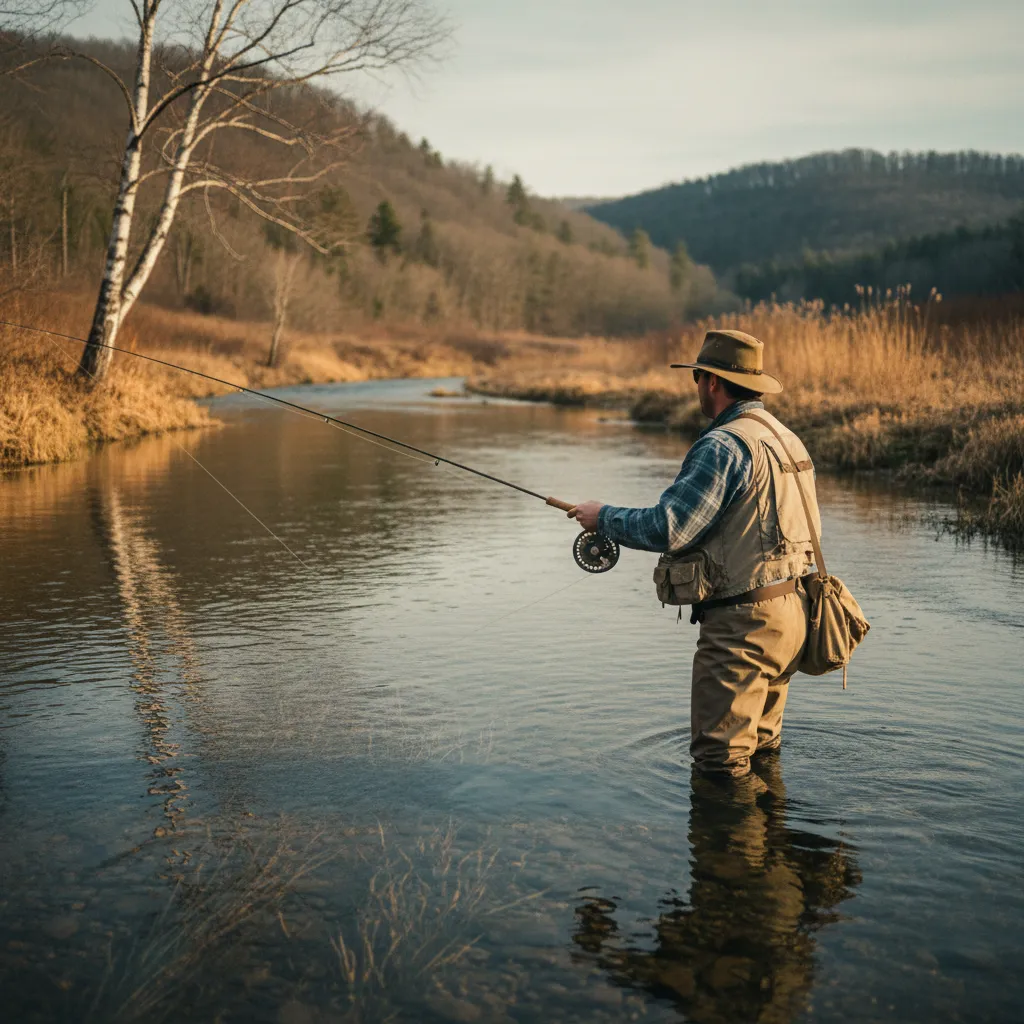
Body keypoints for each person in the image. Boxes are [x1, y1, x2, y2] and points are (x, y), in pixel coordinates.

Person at [572, 329, 820, 778]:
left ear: (712, 382)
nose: (698, 388)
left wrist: (602, 516)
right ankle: (773, 845)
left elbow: (669, 528)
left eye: (698, 379)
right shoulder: (787, 438)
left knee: (720, 766)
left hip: (743, 628)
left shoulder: (723, 446)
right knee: (762, 754)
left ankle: (728, 847)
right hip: (795, 616)